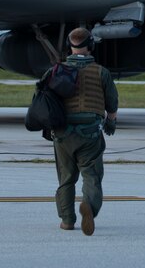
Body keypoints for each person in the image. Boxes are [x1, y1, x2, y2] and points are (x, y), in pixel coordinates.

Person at [49, 27, 118, 235]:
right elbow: (112, 103)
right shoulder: (101, 72)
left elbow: (45, 98)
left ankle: (67, 220)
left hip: (63, 134)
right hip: (90, 133)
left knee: (66, 178)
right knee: (92, 176)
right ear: (90, 46)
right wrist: (111, 122)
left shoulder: (56, 70)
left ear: (70, 46)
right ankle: (89, 205)